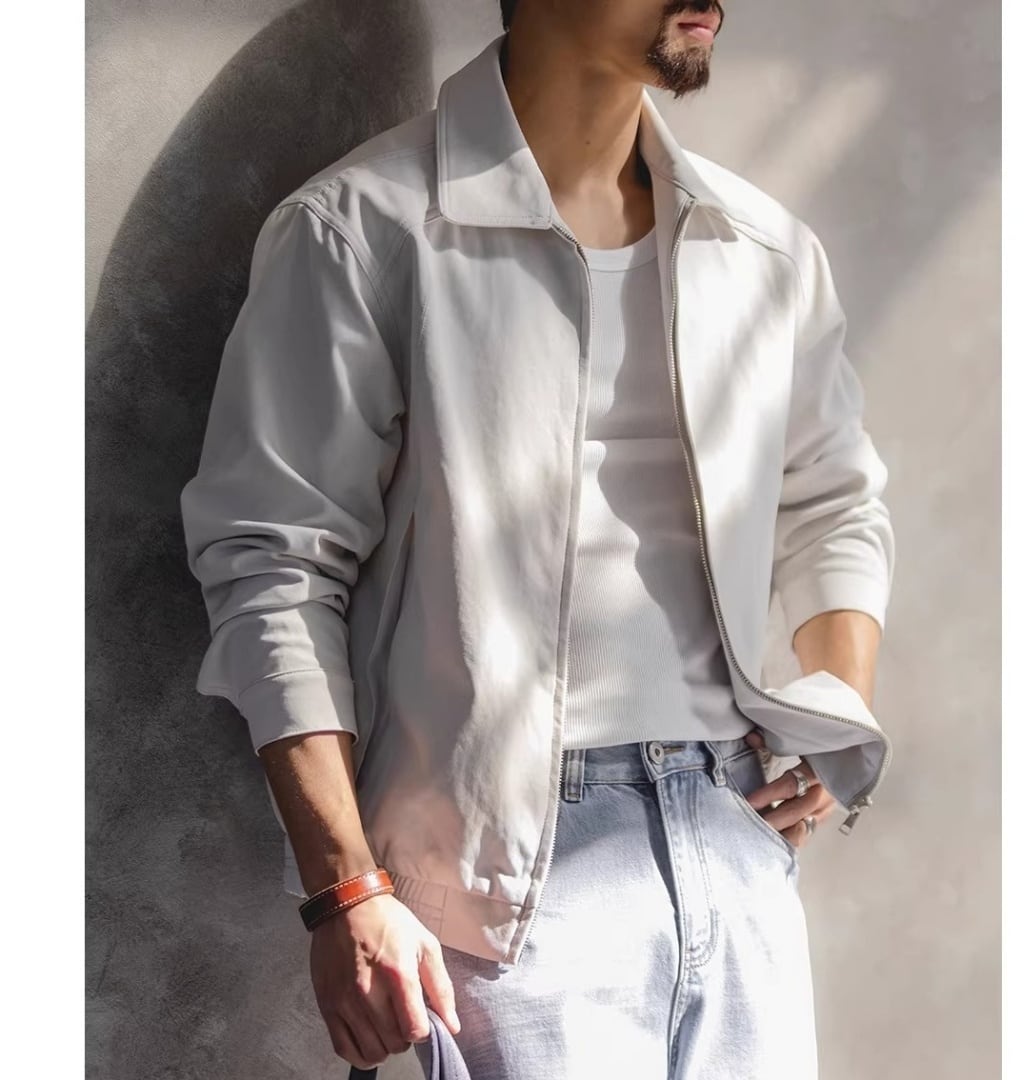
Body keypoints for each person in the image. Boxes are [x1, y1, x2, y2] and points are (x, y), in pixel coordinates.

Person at [180, 2, 896, 1077]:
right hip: (504, 880)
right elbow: (273, 568)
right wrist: (345, 888)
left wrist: (836, 710)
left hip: (735, 830)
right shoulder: (364, 229)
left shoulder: (762, 249)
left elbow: (835, 500)